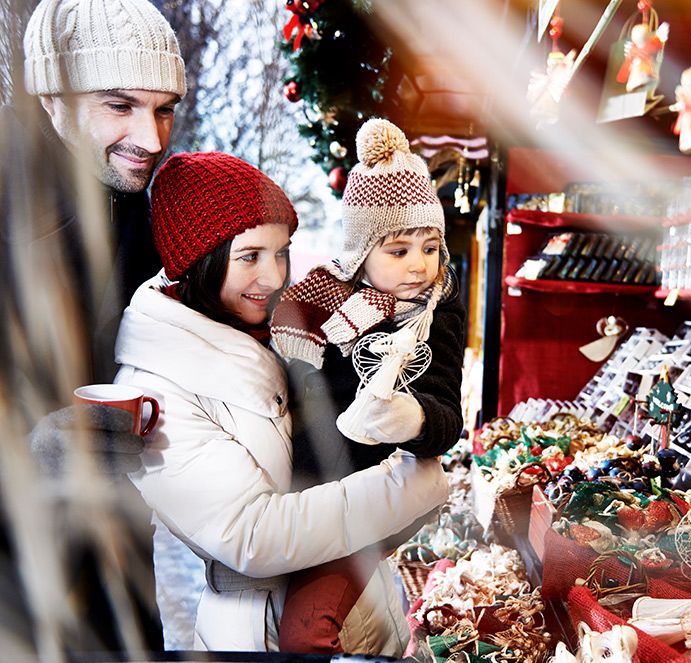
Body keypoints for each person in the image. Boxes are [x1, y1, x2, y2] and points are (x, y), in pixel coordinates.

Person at [112, 151, 450, 653]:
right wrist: (414, 484)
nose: (273, 278)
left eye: (282, 252)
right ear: (196, 261)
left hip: (363, 614)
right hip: (264, 635)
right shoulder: (155, 385)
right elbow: (252, 536)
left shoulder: (279, 328)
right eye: (250, 256)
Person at [0, 0, 185, 655]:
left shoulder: (143, 213)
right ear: (53, 96)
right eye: (119, 105)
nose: (152, 138)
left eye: (165, 109)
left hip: (119, 592)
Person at [269, 118, 465, 654]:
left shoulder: (436, 315)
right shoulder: (323, 303)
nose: (419, 266)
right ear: (360, 254)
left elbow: (449, 416)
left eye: (430, 247)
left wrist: (413, 418)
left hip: (374, 496)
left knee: (305, 631)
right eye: (398, 251)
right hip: (306, 494)